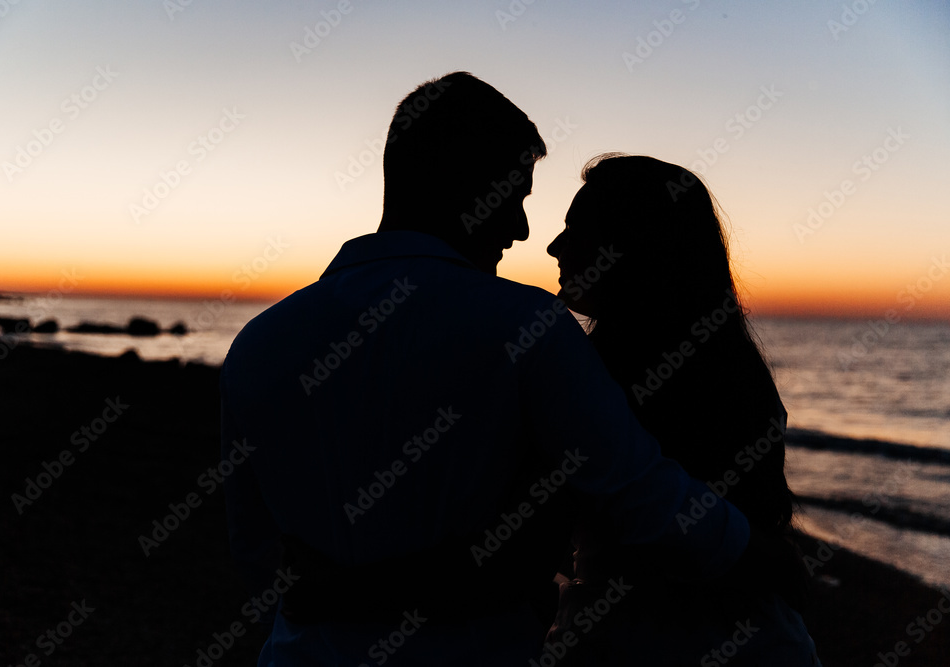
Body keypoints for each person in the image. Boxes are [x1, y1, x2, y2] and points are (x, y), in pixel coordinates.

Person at [220, 74, 752, 667]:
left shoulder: (258, 343)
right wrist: (754, 552)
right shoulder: (524, 326)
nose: (523, 230)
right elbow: (641, 495)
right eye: (515, 196)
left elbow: (255, 560)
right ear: (461, 181)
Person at [546, 153, 821, 666]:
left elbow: (651, 513)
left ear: (633, 249)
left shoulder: (612, 377)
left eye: (575, 230)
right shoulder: (720, 365)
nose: (553, 246)